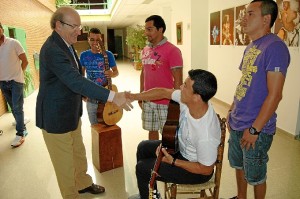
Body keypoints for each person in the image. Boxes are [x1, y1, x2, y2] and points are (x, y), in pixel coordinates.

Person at [36, 7, 132, 199]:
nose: (79, 31)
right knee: (64, 163)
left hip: (71, 111)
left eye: (80, 26)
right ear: (58, 25)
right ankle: (71, 195)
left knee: (78, 153)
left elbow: (72, 76)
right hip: (55, 117)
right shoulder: (52, 49)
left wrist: (82, 95)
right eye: (74, 26)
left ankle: (82, 183)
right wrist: (112, 96)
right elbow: (75, 80)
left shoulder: (67, 42)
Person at [227, 1, 290, 199]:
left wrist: (255, 129)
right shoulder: (251, 47)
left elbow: (275, 94)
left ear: (266, 19)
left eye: (250, 14)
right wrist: (231, 110)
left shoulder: (275, 47)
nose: (244, 18)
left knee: (255, 176)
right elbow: (244, 83)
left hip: (255, 128)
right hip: (237, 121)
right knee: (238, 166)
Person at [128, 69, 221, 199]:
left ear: (197, 97)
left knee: (143, 169)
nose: (181, 87)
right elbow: (163, 92)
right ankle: (151, 194)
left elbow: (206, 169)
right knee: (143, 147)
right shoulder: (189, 100)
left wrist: (174, 162)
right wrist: (132, 97)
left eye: (185, 86)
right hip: (182, 150)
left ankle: (148, 196)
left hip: (195, 171)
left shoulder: (205, 134)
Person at [141, 15, 183, 140]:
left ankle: (166, 159)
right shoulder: (145, 50)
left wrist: (175, 103)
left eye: (150, 29)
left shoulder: (173, 50)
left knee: (168, 135)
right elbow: (143, 72)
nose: (146, 33)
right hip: (148, 99)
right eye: (146, 29)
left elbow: (178, 79)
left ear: (160, 29)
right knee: (151, 130)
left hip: (165, 101)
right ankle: (154, 157)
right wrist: (141, 94)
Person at [80, 27, 119, 125]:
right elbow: (81, 75)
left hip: (106, 95)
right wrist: (82, 94)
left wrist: (111, 73)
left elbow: (116, 72)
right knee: (94, 126)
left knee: (108, 124)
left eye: (98, 40)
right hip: (91, 96)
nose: (95, 42)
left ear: (101, 40)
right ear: (88, 40)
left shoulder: (108, 55)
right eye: (92, 39)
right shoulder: (84, 55)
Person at [0, 22, 29, 147]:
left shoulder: (13, 43)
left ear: (1, 29)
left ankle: (20, 133)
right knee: (13, 107)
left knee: (17, 107)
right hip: (2, 82)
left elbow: (25, 61)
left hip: (15, 81)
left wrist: (19, 74)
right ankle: (21, 122)